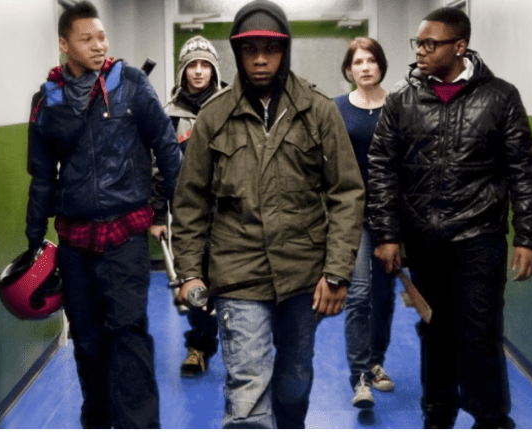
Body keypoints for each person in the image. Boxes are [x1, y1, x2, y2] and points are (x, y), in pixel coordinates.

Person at [170, 0, 365, 428]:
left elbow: (347, 192)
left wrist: (337, 272)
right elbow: (190, 200)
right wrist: (189, 272)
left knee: (294, 383)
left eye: (271, 49)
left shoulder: (318, 111)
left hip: (303, 274)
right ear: (237, 53)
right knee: (248, 387)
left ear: (285, 50)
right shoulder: (215, 116)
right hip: (238, 271)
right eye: (250, 49)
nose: (260, 59)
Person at [367, 7, 532, 430]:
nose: (420, 52)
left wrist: (528, 236)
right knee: (435, 331)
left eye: (430, 44)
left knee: (480, 333)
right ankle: (437, 415)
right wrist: (387, 234)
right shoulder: (402, 99)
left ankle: (491, 419)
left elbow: (522, 169)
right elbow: (381, 168)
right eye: (418, 44)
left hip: (479, 238)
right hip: (425, 240)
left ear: (459, 47)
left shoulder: (500, 97)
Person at [23, 1, 182, 429]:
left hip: (125, 236)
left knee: (128, 336)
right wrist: (34, 240)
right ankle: (97, 420)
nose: (99, 46)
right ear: (64, 45)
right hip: (75, 243)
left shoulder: (129, 84)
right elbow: (42, 176)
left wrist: (183, 215)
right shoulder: (48, 101)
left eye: (102, 37)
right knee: (88, 342)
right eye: (87, 39)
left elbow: (167, 148)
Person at [148, 35, 226, 377]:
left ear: (214, 70)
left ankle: (239, 346)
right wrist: (157, 215)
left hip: (228, 215)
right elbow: (158, 169)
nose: (198, 71)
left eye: (205, 65)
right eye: (192, 65)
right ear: (183, 71)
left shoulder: (230, 106)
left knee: (230, 283)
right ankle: (199, 347)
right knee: (193, 283)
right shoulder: (169, 115)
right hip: (187, 217)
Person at [333, 36, 398, 409]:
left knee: (384, 296)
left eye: (371, 60)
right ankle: (360, 376)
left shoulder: (399, 106)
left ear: (381, 64)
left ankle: (376, 362)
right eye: (358, 62)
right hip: (352, 216)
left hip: (391, 217)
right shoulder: (337, 108)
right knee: (358, 294)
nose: (365, 67)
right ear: (349, 69)